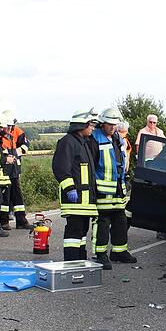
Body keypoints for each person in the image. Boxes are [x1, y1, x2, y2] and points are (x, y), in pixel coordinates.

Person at [53, 108, 99, 261]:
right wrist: (69, 189)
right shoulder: (68, 142)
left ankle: (80, 260)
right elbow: (61, 168)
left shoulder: (83, 143)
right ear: (81, 125)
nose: (93, 128)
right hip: (75, 199)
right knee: (74, 232)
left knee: (82, 231)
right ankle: (71, 262)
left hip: (84, 201)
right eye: (90, 125)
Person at [93, 108, 134, 270]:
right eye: (109, 124)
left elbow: (121, 160)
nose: (112, 127)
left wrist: (126, 178)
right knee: (103, 222)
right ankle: (100, 254)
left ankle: (119, 251)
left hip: (118, 187)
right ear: (102, 123)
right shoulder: (94, 138)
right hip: (103, 189)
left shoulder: (118, 138)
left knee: (121, 220)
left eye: (115, 124)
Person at [0, 110, 32, 230]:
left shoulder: (17, 131)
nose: (9, 128)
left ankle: (21, 220)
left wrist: (18, 152)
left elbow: (26, 144)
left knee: (17, 195)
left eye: (10, 126)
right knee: (5, 196)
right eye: (7, 126)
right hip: (4, 169)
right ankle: (4, 221)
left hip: (14, 168)